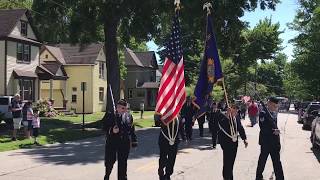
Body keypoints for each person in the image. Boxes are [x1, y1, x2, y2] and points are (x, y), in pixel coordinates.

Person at [211, 104, 248, 180]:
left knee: (231, 162)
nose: (236, 111)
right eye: (234, 109)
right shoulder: (223, 116)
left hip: (234, 143)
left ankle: (228, 177)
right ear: (230, 109)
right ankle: (227, 177)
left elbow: (240, 128)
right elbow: (220, 124)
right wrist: (227, 115)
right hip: (226, 143)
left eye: (237, 109)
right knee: (227, 162)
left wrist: (244, 139)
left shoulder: (237, 117)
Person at [103, 99, 137, 180]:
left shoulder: (129, 116)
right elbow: (104, 127)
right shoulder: (110, 115)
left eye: (126, 108)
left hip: (124, 143)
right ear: (117, 107)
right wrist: (112, 130)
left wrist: (134, 140)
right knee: (110, 162)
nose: (125, 110)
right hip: (112, 142)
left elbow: (132, 129)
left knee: (123, 163)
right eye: (123, 108)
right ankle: (107, 175)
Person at [256, 97, 284, 180]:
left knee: (277, 162)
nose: (276, 107)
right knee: (262, 161)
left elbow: (274, 125)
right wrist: (273, 131)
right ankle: (258, 177)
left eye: (276, 106)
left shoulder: (274, 113)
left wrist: (277, 131)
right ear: (270, 104)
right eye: (275, 105)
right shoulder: (263, 113)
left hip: (275, 143)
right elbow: (263, 127)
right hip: (266, 142)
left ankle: (280, 178)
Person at [155, 114, 179, 180]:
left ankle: (168, 174)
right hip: (164, 141)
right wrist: (161, 120)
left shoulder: (177, 116)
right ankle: (161, 170)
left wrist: (184, 137)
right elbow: (156, 123)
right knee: (163, 158)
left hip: (174, 141)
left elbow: (179, 128)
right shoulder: (162, 114)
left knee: (172, 159)